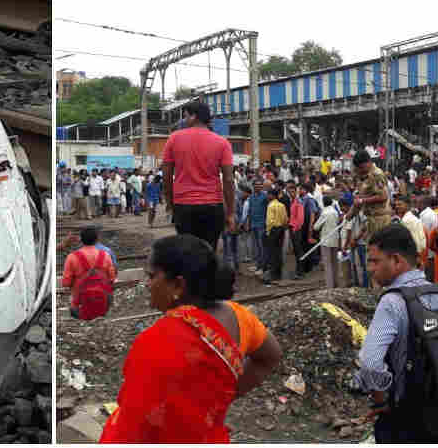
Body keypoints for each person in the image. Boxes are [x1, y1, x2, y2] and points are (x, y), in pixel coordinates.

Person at [99, 235, 282, 443]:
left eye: (151, 276)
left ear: (178, 285)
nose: (147, 284)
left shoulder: (156, 340)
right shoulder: (239, 316)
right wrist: (221, 401)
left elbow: (133, 420)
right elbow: (270, 356)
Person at [351, 224, 438, 443]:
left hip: (406, 418)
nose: (370, 269)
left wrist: (380, 400)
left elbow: (370, 363)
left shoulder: (392, 302)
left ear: (396, 261)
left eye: (375, 261)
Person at [161, 101, 236, 250]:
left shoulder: (173, 139)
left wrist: (170, 204)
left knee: (186, 252)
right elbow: (228, 179)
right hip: (212, 207)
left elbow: (167, 176)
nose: (184, 120)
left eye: (186, 116)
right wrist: (230, 213)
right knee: (208, 250)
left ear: (194, 117)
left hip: (183, 206)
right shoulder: (222, 143)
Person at [61, 227, 117, 318]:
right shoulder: (105, 255)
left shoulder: (72, 257)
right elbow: (112, 279)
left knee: (74, 305)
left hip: (80, 306)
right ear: (97, 239)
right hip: (103, 305)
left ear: (81, 240)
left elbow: (66, 283)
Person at [346, 150, 391, 259]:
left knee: (379, 254)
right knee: (371, 253)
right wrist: (350, 214)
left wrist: (362, 201)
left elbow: (383, 196)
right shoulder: (363, 175)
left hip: (380, 219)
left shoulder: (377, 174)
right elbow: (359, 197)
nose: (360, 171)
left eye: (361, 167)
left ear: (368, 162)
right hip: (370, 219)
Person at [314, 195, 343, 288]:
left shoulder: (324, 213)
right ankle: (336, 283)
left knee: (328, 264)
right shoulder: (335, 212)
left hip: (326, 241)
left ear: (323, 203)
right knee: (335, 263)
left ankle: (329, 286)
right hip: (335, 239)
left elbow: (316, 227)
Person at [264, 188, 288, 284]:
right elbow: (285, 219)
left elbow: (269, 221)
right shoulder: (282, 205)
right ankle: (278, 273)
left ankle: (272, 275)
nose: (267, 196)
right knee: (278, 251)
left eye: (268, 194)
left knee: (272, 252)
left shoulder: (270, 205)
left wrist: (268, 231)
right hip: (281, 229)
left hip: (273, 229)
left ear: (272, 195)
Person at [394, 195, 426, 267]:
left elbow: (415, 240)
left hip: (412, 257)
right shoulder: (410, 218)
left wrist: (417, 258)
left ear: (407, 205)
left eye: (400, 204)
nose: (397, 206)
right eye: (396, 205)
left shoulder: (407, 221)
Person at [247, 180, 269, 273]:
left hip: (262, 225)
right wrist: (248, 223)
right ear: (253, 186)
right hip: (253, 224)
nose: (258, 186)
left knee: (262, 247)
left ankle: (263, 267)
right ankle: (257, 265)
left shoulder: (265, 196)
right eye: (256, 185)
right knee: (256, 247)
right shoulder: (251, 197)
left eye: (260, 185)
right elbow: (250, 210)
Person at [287, 183, 306, 279]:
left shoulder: (298, 201)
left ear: (296, 191)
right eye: (289, 192)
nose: (291, 193)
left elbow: (300, 218)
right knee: (296, 250)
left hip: (296, 229)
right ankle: (298, 270)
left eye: (293, 192)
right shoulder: (292, 201)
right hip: (292, 228)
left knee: (298, 250)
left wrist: (295, 228)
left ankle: (300, 271)